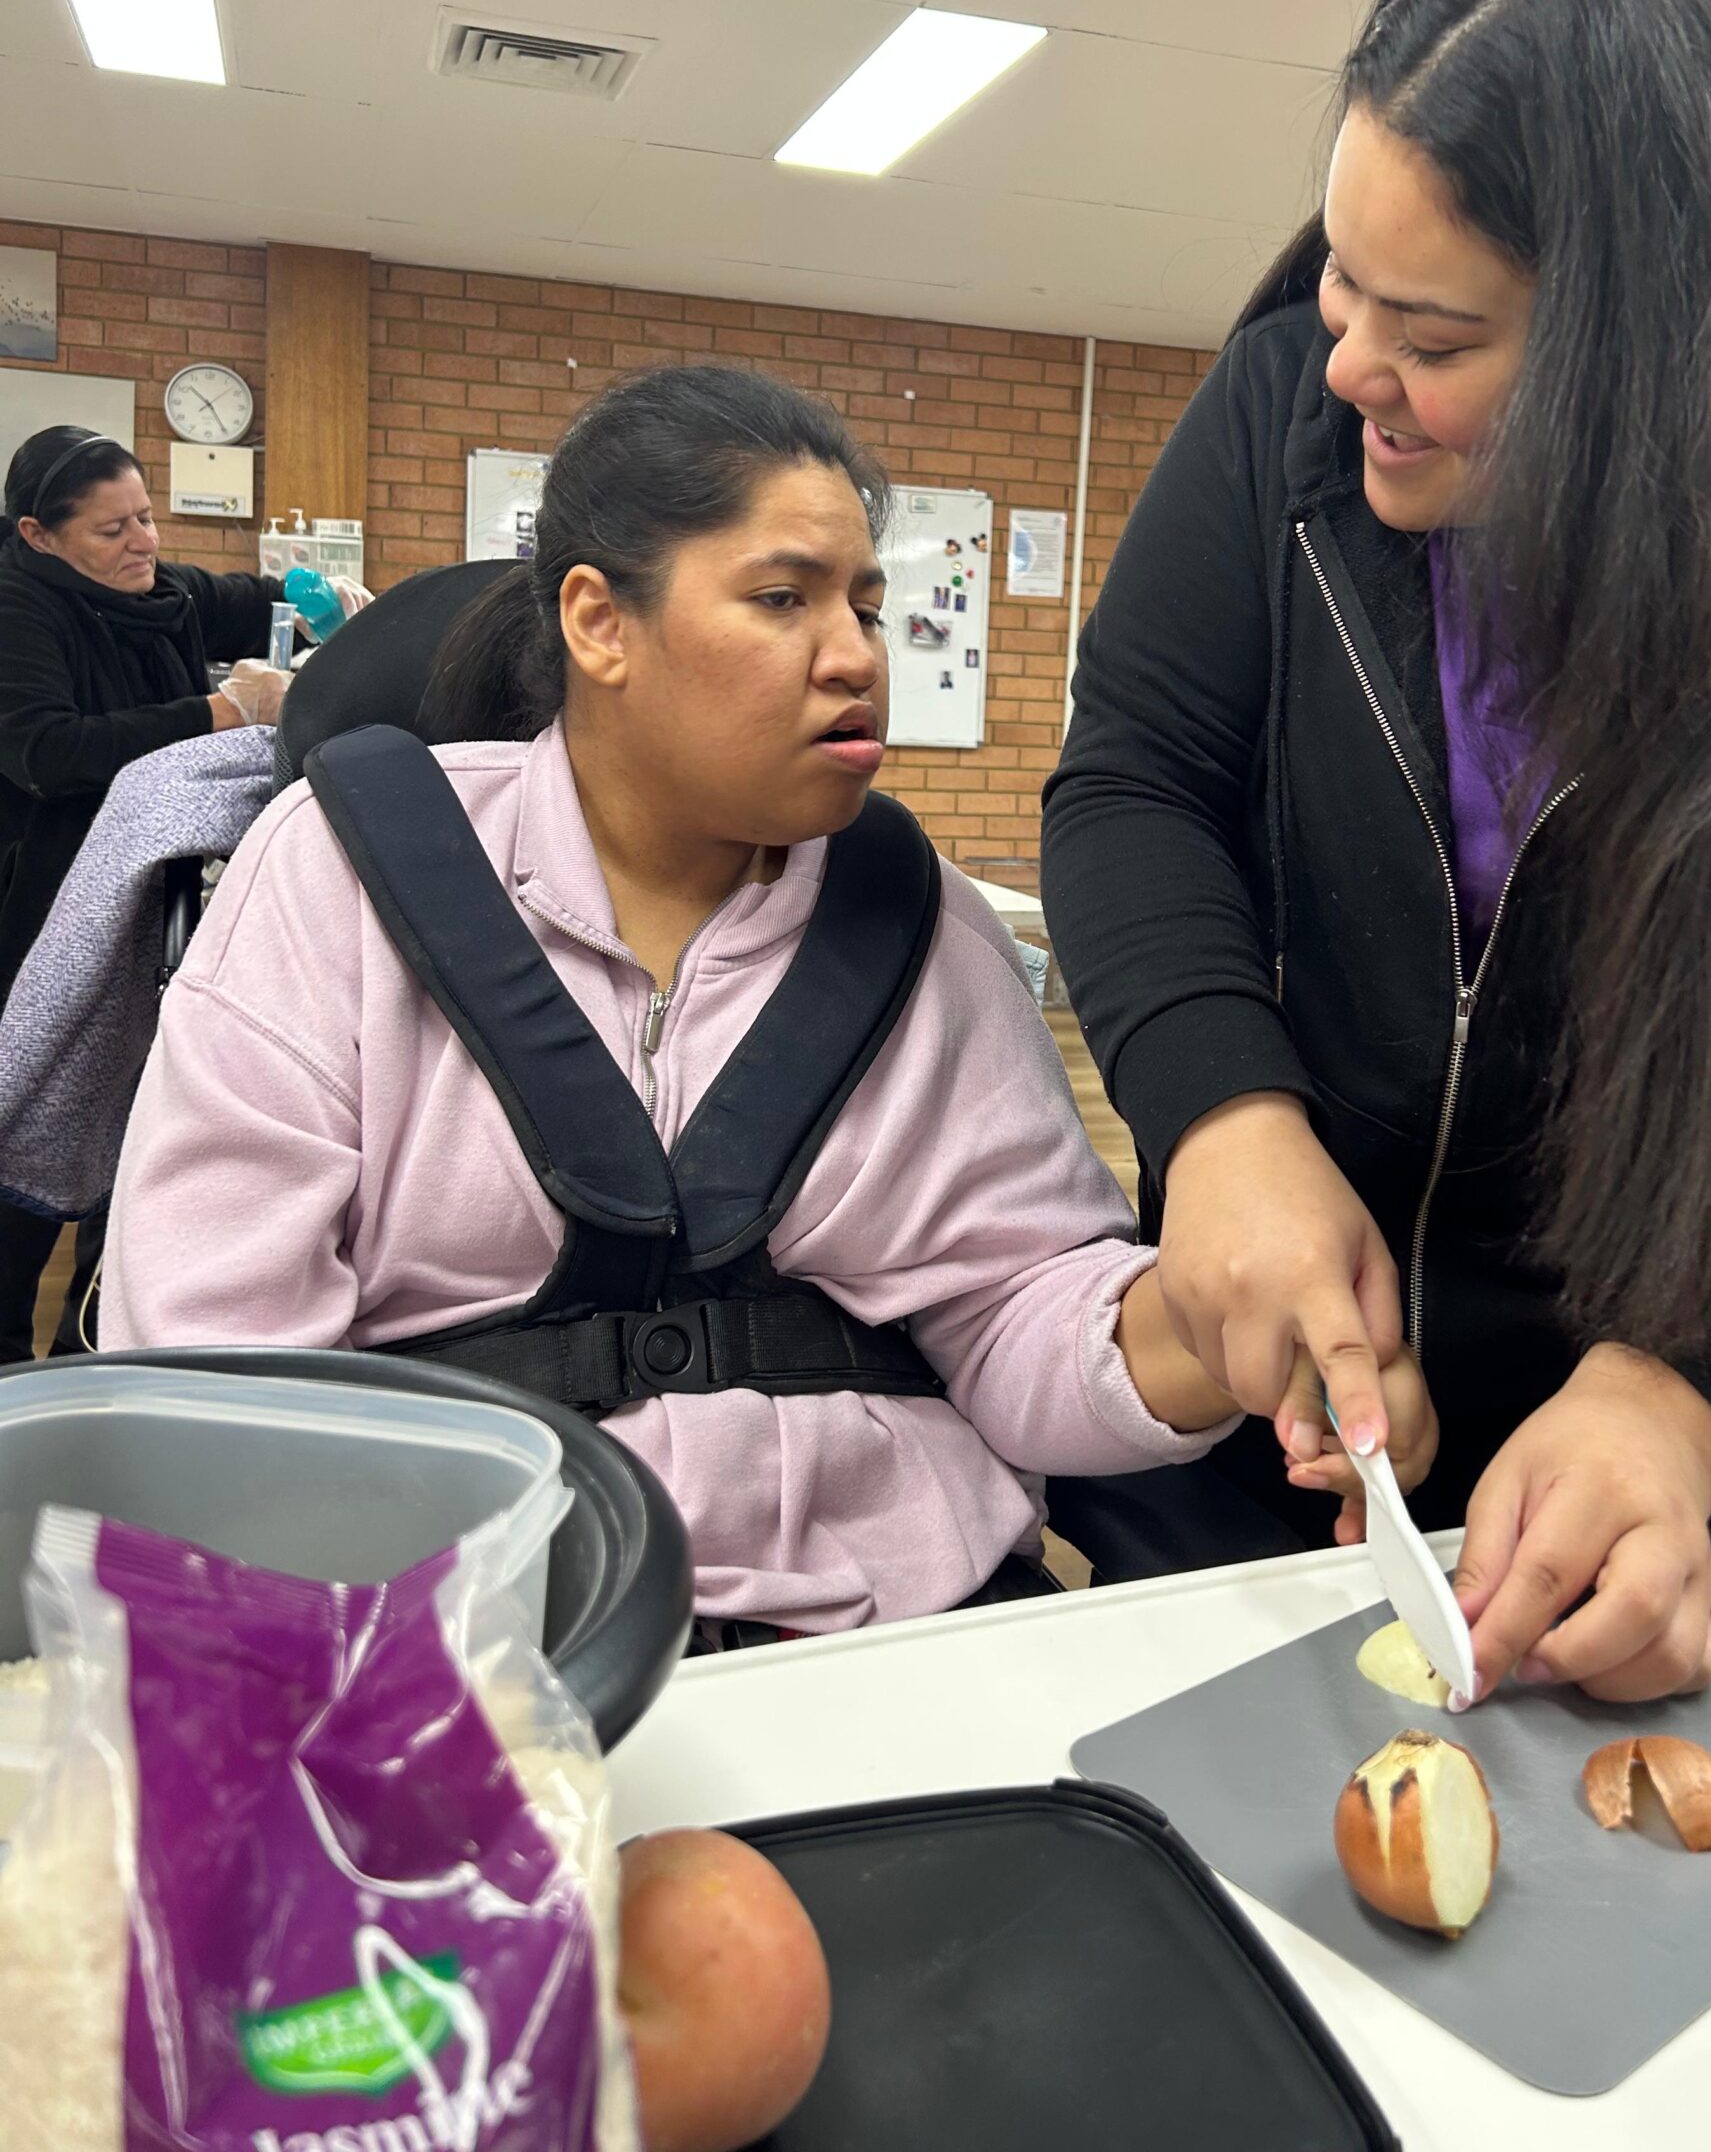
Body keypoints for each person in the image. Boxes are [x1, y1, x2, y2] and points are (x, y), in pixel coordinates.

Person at [1043, 0, 1711, 1704]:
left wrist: (1685, 1408)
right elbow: (1135, 785)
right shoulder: (1283, 417)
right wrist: (1226, 1125)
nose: (1350, 364)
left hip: (1697, 1478)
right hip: (1295, 1416)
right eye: (1342, 278)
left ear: (1676, 380)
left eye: (1435, 340)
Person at [101, 366, 1242, 1637]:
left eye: (866, 607)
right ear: (600, 623)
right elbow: (215, 1368)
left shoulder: (928, 929)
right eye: (782, 598)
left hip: (893, 1636)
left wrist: (1208, 1330)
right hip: (472, 1643)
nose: (856, 656)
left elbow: (1009, 1314)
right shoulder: (336, 877)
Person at [0, 426, 313, 1362]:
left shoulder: (162, 595)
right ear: (38, 535)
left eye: (146, 517)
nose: (142, 542)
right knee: (23, 1161)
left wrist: (327, 602)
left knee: (131, 1163)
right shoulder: (17, 609)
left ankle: (97, 1363)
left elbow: (255, 598)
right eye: (112, 530)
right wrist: (225, 711)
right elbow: (48, 752)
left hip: (146, 932)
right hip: (38, 925)